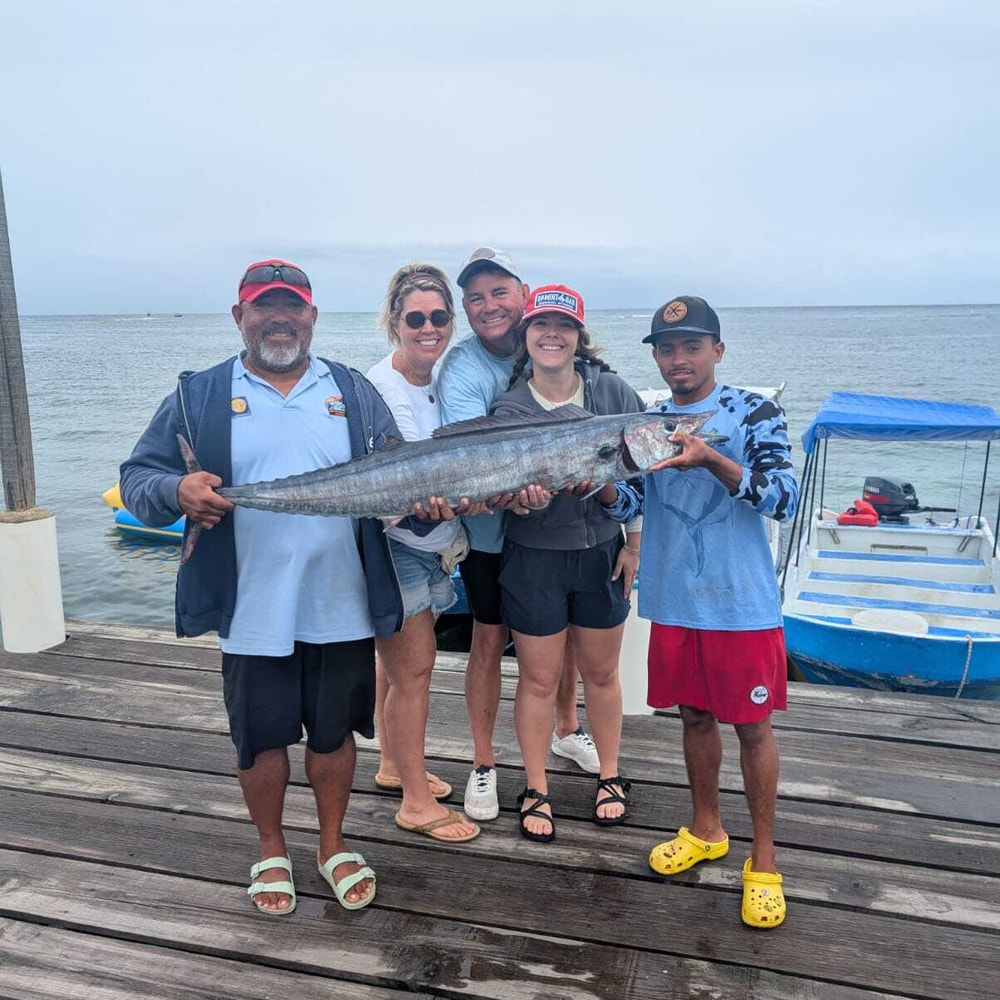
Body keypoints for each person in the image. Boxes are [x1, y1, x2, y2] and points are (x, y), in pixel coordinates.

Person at [120, 259, 405, 915]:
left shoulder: (354, 391)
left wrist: (437, 500)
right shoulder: (198, 395)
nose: (279, 318)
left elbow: (400, 473)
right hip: (252, 610)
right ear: (239, 316)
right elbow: (139, 479)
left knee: (335, 736)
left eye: (292, 306)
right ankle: (272, 847)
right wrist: (175, 490)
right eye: (263, 307)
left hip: (344, 604)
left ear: (311, 315)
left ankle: (332, 845)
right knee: (261, 738)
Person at [602, 295, 798, 928]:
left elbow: (782, 498)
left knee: (752, 727)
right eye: (666, 348)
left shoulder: (755, 411)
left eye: (691, 345)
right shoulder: (647, 422)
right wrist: (596, 484)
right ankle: (706, 829)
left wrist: (710, 456)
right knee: (692, 717)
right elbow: (628, 498)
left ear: (717, 350)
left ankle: (762, 860)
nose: (678, 359)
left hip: (741, 604)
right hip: (676, 600)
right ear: (656, 357)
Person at [437, 248, 601, 823]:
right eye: (475, 298)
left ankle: (567, 727)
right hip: (491, 534)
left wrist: (630, 537)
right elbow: (459, 461)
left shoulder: (555, 349)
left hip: (555, 533)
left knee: (567, 642)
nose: (489, 306)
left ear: (523, 293)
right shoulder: (463, 371)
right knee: (488, 640)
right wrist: (509, 494)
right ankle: (483, 761)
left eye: (499, 292)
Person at [489, 284, 644, 841]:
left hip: (601, 554)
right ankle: (536, 786)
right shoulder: (509, 408)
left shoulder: (613, 391)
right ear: (525, 336)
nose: (552, 335)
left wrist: (632, 540)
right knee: (537, 678)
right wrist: (516, 499)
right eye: (540, 325)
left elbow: (639, 483)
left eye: (564, 325)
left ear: (580, 336)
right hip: (533, 559)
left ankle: (609, 774)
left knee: (602, 674)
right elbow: (498, 496)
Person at [365, 263, 480, 843]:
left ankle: (392, 766)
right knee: (415, 671)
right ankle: (413, 800)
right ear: (395, 322)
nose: (429, 327)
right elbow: (393, 488)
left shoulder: (442, 379)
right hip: (395, 545)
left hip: (437, 544)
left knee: (395, 668)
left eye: (439, 317)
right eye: (416, 318)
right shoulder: (377, 388)